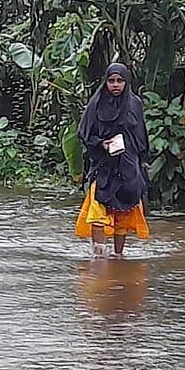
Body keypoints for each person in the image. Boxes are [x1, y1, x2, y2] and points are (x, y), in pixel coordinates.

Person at [75, 63, 151, 259]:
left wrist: (143, 160)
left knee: (124, 212)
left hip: (128, 166)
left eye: (120, 81)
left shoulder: (135, 104)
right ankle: (99, 256)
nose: (115, 85)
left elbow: (141, 134)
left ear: (126, 82)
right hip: (104, 165)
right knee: (98, 209)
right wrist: (102, 144)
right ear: (106, 82)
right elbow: (84, 133)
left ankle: (118, 256)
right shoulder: (97, 103)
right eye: (111, 81)